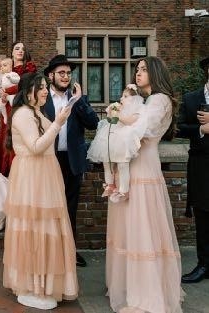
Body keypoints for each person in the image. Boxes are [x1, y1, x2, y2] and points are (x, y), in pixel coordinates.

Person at [106, 56, 183, 313]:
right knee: (130, 226)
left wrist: (118, 115)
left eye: (143, 69)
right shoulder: (145, 100)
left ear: (155, 72)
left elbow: (145, 128)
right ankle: (130, 285)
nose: (138, 73)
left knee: (144, 226)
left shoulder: (160, 100)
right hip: (132, 163)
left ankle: (147, 293)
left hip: (145, 167)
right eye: (136, 69)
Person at [3, 73, 78, 310]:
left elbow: (50, 135)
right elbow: (36, 146)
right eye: (41, 87)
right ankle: (32, 285)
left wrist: (69, 107)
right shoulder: (24, 114)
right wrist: (58, 123)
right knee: (34, 227)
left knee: (47, 228)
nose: (46, 90)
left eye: (46, 87)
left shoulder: (37, 112)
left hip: (45, 174)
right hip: (31, 175)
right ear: (28, 92)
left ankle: (44, 283)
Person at [42, 54, 99, 267]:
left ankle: (70, 251)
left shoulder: (77, 98)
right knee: (47, 206)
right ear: (51, 75)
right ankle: (48, 251)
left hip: (72, 160)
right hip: (48, 159)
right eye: (61, 73)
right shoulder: (42, 98)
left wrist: (78, 101)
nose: (65, 76)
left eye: (68, 73)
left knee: (69, 208)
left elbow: (93, 123)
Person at [177, 56, 209, 284]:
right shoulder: (191, 99)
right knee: (203, 216)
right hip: (201, 165)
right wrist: (202, 129)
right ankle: (203, 264)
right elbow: (178, 129)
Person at [87, 84, 146, 203]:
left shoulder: (138, 111)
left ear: (135, 99)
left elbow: (129, 121)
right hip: (112, 138)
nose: (121, 99)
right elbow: (111, 121)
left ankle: (124, 190)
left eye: (125, 96)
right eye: (122, 96)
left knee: (122, 164)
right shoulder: (121, 108)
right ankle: (109, 184)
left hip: (124, 140)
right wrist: (110, 113)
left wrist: (117, 114)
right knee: (106, 162)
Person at [0, 42, 37, 177]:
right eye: (17, 48)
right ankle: (5, 172)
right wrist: (1, 91)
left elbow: (26, 85)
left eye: (23, 49)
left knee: (18, 136)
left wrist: (7, 90)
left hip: (21, 106)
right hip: (7, 107)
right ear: (12, 52)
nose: (20, 51)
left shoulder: (29, 67)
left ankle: (19, 173)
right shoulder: (7, 66)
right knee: (5, 136)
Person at [0, 58, 21, 124]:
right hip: (4, 93)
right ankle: (5, 116)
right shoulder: (2, 75)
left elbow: (18, 80)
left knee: (13, 103)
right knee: (1, 105)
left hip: (12, 94)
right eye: (1, 66)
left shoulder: (13, 74)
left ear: (10, 66)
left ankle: (15, 115)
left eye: (4, 65)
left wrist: (11, 78)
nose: (2, 67)